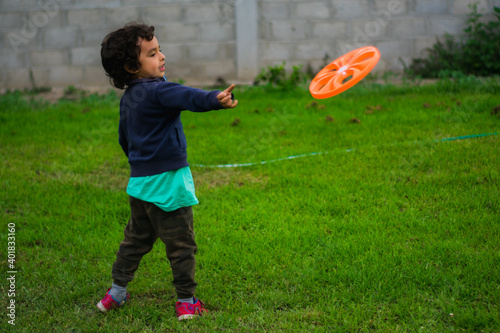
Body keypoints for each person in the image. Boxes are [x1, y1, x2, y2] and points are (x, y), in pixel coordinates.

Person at [97, 22, 238, 321]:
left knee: (134, 241)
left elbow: (125, 139)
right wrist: (215, 99)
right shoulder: (160, 92)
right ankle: (187, 302)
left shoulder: (130, 99)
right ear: (130, 66)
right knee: (181, 245)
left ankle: (115, 294)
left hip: (140, 185)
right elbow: (187, 97)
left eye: (159, 49)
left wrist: (141, 165)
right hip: (167, 186)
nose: (161, 56)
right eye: (151, 53)